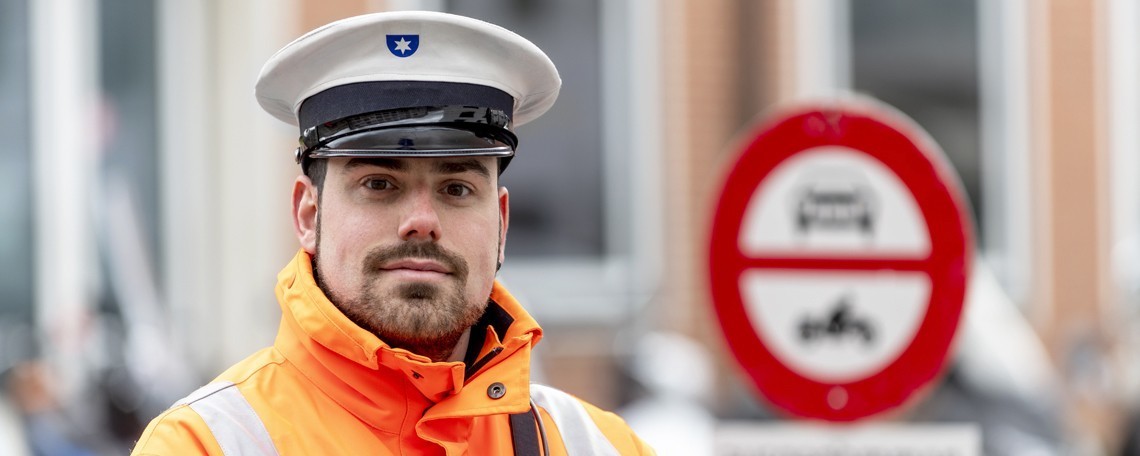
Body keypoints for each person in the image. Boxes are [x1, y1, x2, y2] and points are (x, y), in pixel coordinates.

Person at [130, 10, 653, 455]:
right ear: (308, 216)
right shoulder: (207, 444)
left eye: (456, 188)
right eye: (379, 183)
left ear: (501, 224)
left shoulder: (596, 444)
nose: (421, 220)